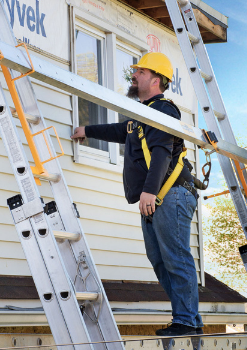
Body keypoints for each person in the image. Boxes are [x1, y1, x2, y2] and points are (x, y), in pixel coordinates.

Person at [71, 52, 203, 336]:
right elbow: (123, 130)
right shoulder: (143, 114)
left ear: (155, 80)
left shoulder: (164, 111)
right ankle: (189, 318)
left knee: (176, 257)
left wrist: (149, 191)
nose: (134, 75)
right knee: (159, 258)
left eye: (140, 72)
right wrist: (87, 130)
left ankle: (186, 322)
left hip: (169, 194)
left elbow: (161, 152)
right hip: (158, 197)